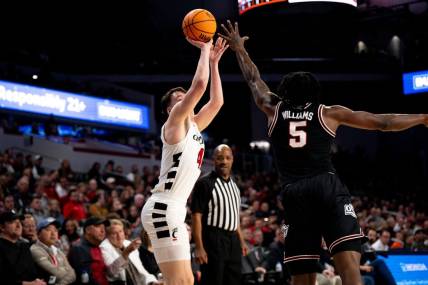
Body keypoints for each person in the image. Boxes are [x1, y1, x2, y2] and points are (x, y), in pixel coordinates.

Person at [219, 20, 428, 285]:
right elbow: (383, 122)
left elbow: (253, 80)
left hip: (294, 192)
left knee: (302, 273)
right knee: (348, 263)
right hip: (326, 185)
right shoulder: (328, 112)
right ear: (314, 93)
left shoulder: (273, 108)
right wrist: (421, 117)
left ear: (284, 91)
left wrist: (239, 49)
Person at [140, 36, 228, 285]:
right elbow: (199, 85)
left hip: (173, 209)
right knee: (181, 282)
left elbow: (217, 101)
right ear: (171, 110)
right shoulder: (174, 123)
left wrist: (214, 63)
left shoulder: (195, 127)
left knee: (182, 281)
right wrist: (204, 48)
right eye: (179, 98)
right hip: (163, 208)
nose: (185, 98)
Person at [190, 144, 247, 285]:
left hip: (233, 240)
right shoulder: (204, 183)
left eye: (228, 158)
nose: (224, 162)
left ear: (232, 160)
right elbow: (196, 216)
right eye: (220, 158)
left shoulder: (235, 184)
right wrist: (199, 247)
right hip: (213, 239)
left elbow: (234, 215)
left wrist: (241, 240)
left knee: (233, 280)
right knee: (213, 280)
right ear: (213, 160)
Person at [100, 219, 161, 285]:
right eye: (114, 233)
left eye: (120, 231)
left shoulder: (128, 243)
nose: (119, 236)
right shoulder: (103, 248)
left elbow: (141, 271)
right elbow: (111, 273)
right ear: (107, 236)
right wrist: (126, 252)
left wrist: (152, 282)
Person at [0, 211, 46, 285]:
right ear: (2, 227)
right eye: (12, 222)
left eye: (19, 222)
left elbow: (33, 274)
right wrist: (27, 283)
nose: (18, 225)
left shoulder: (24, 247)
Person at [30, 217, 76, 285]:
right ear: (38, 234)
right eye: (48, 230)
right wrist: (65, 270)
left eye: (55, 230)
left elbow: (73, 275)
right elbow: (57, 273)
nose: (53, 233)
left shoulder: (58, 251)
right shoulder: (35, 249)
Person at [68, 216, 109, 285]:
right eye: (98, 226)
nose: (103, 231)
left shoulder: (98, 246)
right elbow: (85, 279)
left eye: (103, 227)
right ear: (88, 230)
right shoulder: (79, 248)